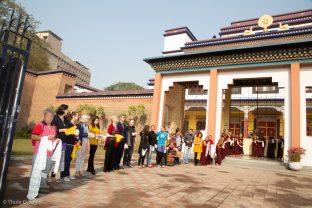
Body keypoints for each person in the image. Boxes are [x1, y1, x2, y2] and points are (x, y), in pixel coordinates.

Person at [28, 109, 60, 196]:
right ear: (44, 116)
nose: (49, 118)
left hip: (49, 153)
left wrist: (56, 140)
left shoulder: (54, 127)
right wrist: (45, 137)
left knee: (45, 171)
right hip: (39, 153)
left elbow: (52, 139)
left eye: (51, 116)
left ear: (53, 117)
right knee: (37, 170)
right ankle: (33, 188)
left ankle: (41, 186)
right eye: (47, 116)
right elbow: (33, 136)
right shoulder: (40, 125)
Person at [51, 104, 69, 181]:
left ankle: (57, 174)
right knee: (55, 157)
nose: (67, 111)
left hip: (64, 142)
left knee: (61, 158)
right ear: (63, 110)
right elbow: (52, 129)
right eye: (67, 109)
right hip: (57, 141)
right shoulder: (55, 118)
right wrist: (61, 130)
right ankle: (52, 176)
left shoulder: (65, 119)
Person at [62, 112, 80, 181]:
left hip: (72, 144)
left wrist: (78, 140)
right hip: (66, 144)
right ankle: (63, 176)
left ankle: (67, 174)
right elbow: (68, 134)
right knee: (65, 160)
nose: (78, 117)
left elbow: (76, 135)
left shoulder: (76, 125)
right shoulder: (68, 124)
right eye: (77, 115)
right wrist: (76, 139)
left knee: (69, 160)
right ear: (73, 116)